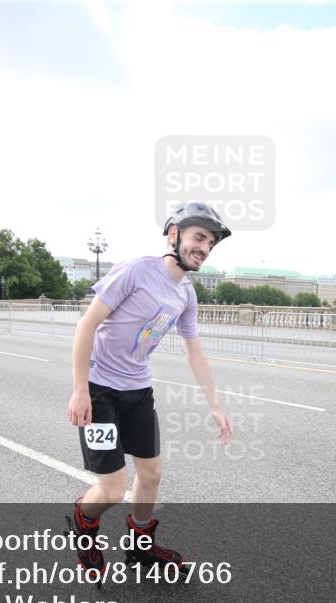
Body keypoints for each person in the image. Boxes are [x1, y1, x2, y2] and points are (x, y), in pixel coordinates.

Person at [66, 201, 234, 580]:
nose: (205, 248)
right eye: (199, 238)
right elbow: (86, 326)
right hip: (100, 390)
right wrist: (80, 390)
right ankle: (83, 522)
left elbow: (195, 352)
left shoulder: (186, 295)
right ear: (174, 235)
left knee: (152, 474)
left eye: (210, 243)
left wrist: (216, 406)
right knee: (111, 489)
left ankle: (140, 549)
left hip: (138, 391)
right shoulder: (137, 270)